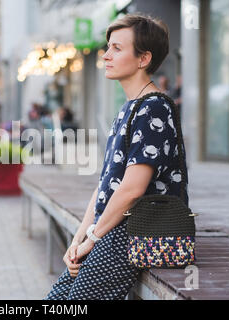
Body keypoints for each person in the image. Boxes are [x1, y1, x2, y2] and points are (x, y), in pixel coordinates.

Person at [44, 13, 189, 300]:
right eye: (108, 47)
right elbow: (106, 184)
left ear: (143, 59)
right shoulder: (128, 109)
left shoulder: (154, 109)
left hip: (135, 231)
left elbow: (133, 189)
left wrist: (93, 238)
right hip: (113, 227)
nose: (106, 56)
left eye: (117, 48)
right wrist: (80, 236)